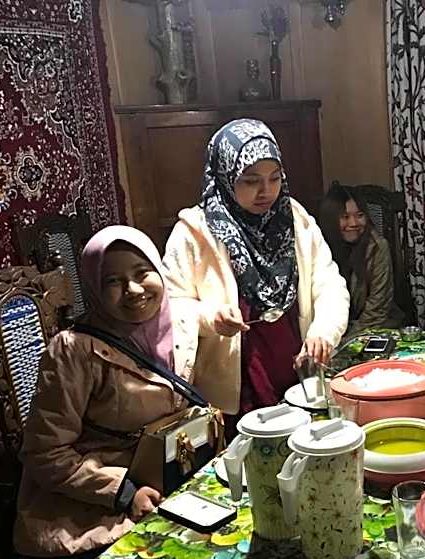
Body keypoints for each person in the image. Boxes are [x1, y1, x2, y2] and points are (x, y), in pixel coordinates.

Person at [4, 226, 199, 559]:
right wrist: (124, 492)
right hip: (93, 504)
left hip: (162, 477)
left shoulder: (178, 325)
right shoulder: (74, 351)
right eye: (112, 280)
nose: (132, 289)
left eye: (142, 272)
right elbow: (44, 453)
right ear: (92, 285)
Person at [163, 119, 349, 415]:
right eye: (251, 180)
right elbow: (168, 307)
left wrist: (323, 331)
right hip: (233, 387)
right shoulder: (194, 232)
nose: (266, 191)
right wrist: (211, 318)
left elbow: (328, 283)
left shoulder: (293, 218)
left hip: (297, 374)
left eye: (275, 178)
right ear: (226, 175)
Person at [319, 182, 404, 336]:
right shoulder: (318, 248)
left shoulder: (378, 247)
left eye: (360, 215)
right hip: (331, 331)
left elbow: (377, 309)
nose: (354, 223)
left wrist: (347, 342)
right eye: (345, 217)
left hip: (374, 327)